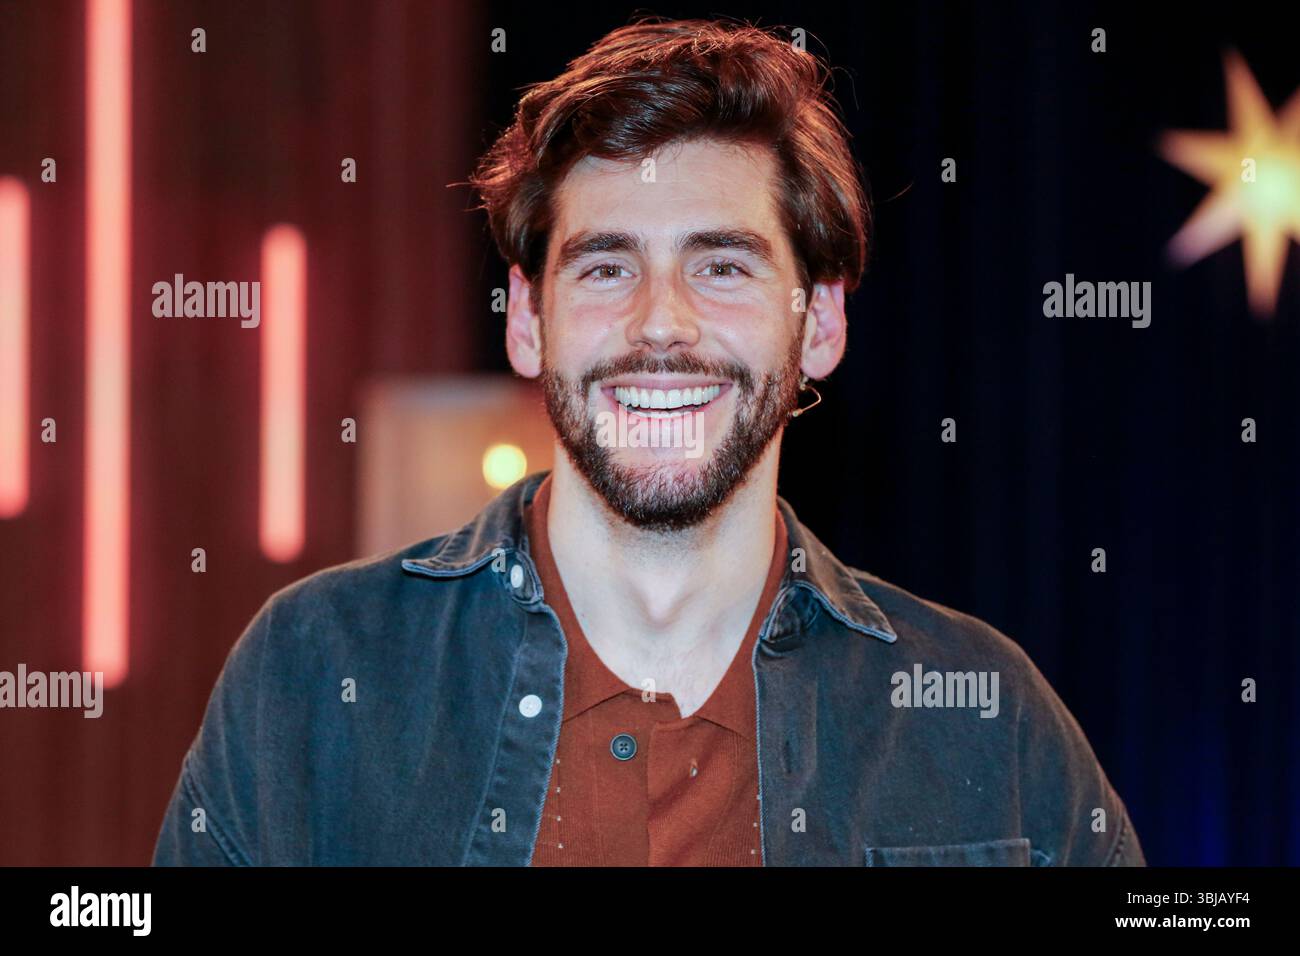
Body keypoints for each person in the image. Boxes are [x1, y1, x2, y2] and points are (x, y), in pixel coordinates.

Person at [153, 17, 1144, 866]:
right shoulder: (312, 675)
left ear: (821, 323)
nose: (660, 325)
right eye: (603, 267)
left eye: (721, 266)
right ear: (526, 321)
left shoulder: (985, 718)